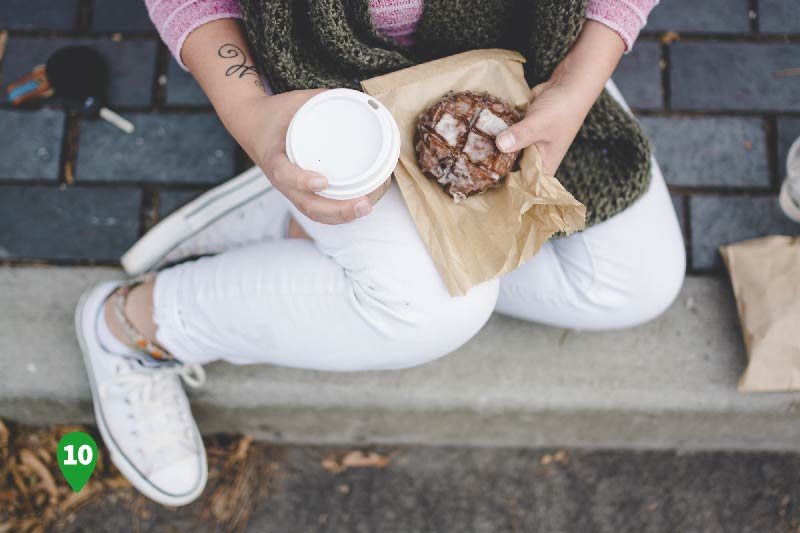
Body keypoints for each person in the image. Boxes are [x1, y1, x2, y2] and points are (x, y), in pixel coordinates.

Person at [75, 0, 684, 505]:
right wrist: (249, 115)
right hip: (332, 90)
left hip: (517, 61)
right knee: (438, 309)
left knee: (637, 283)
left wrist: (580, 81)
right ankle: (133, 329)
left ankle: (308, 230)